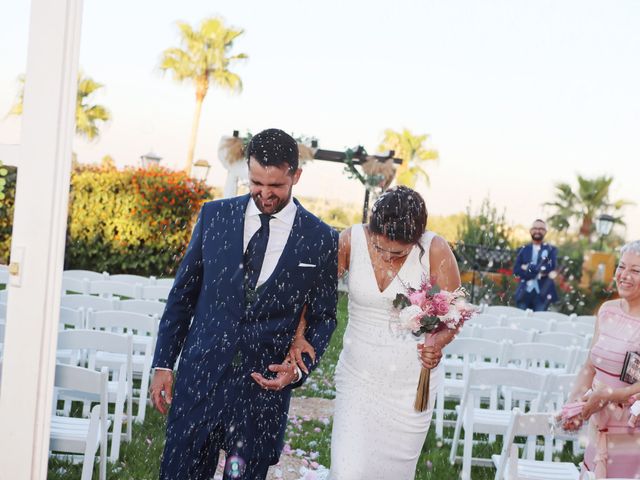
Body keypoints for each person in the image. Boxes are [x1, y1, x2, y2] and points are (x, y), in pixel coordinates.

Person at [149, 128, 339, 480]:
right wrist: (163, 363)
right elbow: (182, 297)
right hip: (200, 383)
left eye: (276, 186)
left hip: (260, 395)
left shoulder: (321, 239)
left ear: (296, 176)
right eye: (255, 183)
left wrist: (297, 370)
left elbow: (324, 317)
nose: (265, 194)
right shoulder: (214, 217)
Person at [290, 186, 461, 479]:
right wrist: (299, 334)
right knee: (347, 470)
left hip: (410, 386)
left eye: (399, 253)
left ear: (416, 237)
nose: (388, 257)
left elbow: (454, 314)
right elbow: (312, 292)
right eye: (381, 248)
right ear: (372, 228)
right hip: (358, 376)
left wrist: (438, 341)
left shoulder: (435, 249)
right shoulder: (350, 240)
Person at [561, 240, 640, 478]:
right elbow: (589, 365)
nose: (624, 276)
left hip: (632, 428)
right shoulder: (607, 310)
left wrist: (613, 395)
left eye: (636, 270)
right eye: (621, 267)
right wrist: (575, 403)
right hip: (599, 423)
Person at [513, 219, 558, 311]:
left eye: (541, 229)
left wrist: (527, 267)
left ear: (545, 232)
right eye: (535, 228)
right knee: (521, 322)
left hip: (542, 294)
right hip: (523, 294)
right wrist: (539, 272)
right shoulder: (523, 249)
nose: (537, 231)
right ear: (531, 230)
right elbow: (516, 271)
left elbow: (550, 267)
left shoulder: (551, 250)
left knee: (540, 323)